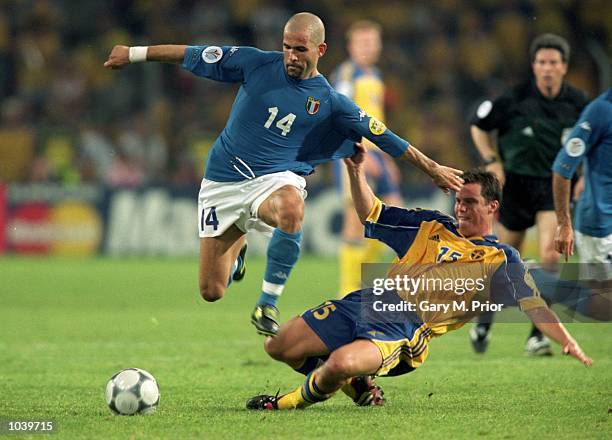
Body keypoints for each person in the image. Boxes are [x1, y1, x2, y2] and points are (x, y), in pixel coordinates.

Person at [103, 12, 463, 336]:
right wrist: (133, 52)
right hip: (222, 182)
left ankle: (267, 302)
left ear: (320, 49)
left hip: (275, 180)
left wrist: (432, 168)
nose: (292, 55)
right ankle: (239, 246)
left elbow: (384, 135)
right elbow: (192, 54)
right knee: (212, 291)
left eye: (301, 49)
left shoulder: (331, 100)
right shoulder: (255, 63)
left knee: (292, 208)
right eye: (287, 47)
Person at [245, 144, 592, 411]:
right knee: (278, 346)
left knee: (339, 363)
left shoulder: (501, 259)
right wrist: (356, 170)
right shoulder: (429, 224)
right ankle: (359, 387)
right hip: (366, 302)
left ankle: (284, 404)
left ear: (492, 207)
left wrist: (566, 340)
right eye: (458, 201)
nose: (460, 208)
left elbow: (533, 305)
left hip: (405, 328)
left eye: (470, 202)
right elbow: (372, 212)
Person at [469, 33, 588, 355]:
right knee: (503, 261)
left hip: (553, 187)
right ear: (534, 66)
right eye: (541, 62)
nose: (546, 68)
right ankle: (484, 320)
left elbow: (594, 140)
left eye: (552, 63)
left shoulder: (579, 103)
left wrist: (583, 175)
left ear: (564, 67)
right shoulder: (514, 98)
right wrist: (492, 159)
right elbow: (478, 125)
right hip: (516, 187)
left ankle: (537, 335)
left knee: (550, 256)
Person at [330, 20, 403, 296]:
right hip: (354, 154)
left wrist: (387, 157)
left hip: (378, 156)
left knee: (395, 217)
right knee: (355, 219)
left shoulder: (375, 75)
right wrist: (356, 149)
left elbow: (377, 121)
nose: (367, 47)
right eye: (362, 42)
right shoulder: (346, 75)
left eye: (372, 42)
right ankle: (348, 291)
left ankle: (364, 281)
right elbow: (339, 116)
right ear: (350, 46)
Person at [552, 88, 612, 321]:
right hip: (600, 224)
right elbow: (562, 168)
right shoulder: (599, 111)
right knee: (604, 308)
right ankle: (536, 279)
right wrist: (563, 224)